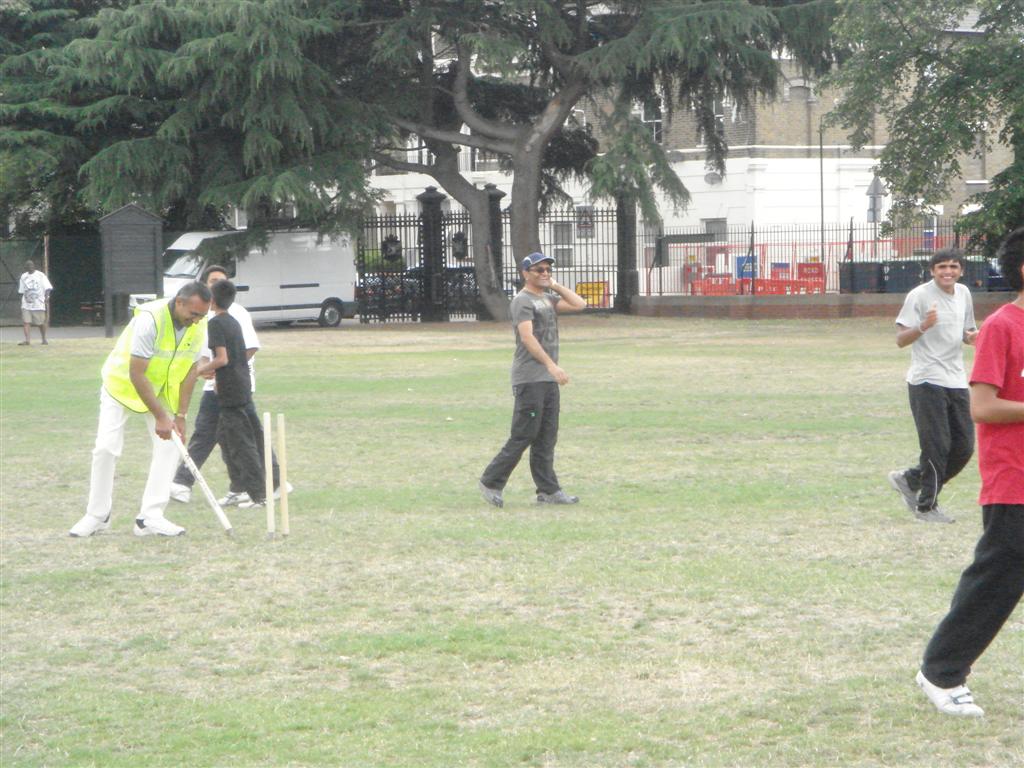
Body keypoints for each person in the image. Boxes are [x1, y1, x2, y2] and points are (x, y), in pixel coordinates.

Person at [916, 227, 1024, 717]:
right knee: (996, 582)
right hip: (1014, 480)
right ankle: (941, 672)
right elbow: (983, 407)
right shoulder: (1004, 326)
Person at [69, 282, 211, 538]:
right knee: (105, 447)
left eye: (202, 315)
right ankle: (97, 515)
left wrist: (180, 416)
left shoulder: (199, 326)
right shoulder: (150, 320)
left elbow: (191, 371)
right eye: (194, 314)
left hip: (159, 390)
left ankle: (150, 518)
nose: (197, 320)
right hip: (121, 385)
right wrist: (160, 417)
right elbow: (136, 373)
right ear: (179, 302)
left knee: (170, 445)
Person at [168, 264, 284, 507]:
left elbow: (229, 356)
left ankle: (262, 490)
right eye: (212, 281)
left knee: (236, 438)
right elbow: (206, 353)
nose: (213, 288)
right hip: (225, 384)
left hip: (230, 388)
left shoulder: (228, 317)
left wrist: (206, 371)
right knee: (226, 435)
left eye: (219, 282)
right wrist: (207, 368)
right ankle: (246, 486)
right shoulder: (206, 317)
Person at [479, 252, 586, 508]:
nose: (545, 273)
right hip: (530, 378)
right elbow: (527, 337)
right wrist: (551, 366)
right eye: (539, 270)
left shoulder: (547, 299)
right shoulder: (522, 301)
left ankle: (548, 491)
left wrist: (556, 286)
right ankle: (491, 481)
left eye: (548, 268)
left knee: (547, 435)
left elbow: (579, 304)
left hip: (547, 379)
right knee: (524, 434)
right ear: (525, 273)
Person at [888, 249, 979, 523]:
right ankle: (927, 507)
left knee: (964, 447)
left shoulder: (964, 293)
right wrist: (924, 326)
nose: (947, 271)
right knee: (937, 445)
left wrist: (972, 337)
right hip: (926, 380)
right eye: (941, 267)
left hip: (956, 379)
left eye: (953, 266)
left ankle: (909, 479)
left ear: (961, 270)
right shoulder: (919, 296)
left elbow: (964, 331)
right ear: (932, 271)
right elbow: (901, 339)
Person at [194, 280, 266, 508]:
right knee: (225, 439)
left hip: (232, 391)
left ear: (212, 301)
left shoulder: (215, 323)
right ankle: (238, 487)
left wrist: (198, 371)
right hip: (237, 385)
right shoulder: (233, 321)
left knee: (243, 443)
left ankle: (259, 495)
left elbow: (222, 359)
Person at [17, 260, 52, 345]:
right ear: (26, 268)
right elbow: (21, 291)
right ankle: (27, 340)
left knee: (40, 323)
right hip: (26, 304)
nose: (30, 267)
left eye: (31, 265)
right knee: (26, 322)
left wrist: (46, 297)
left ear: (34, 266)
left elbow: (48, 287)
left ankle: (44, 339)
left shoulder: (40, 275)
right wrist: (23, 300)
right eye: (28, 266)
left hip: (38, 303)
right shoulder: (23, 276)